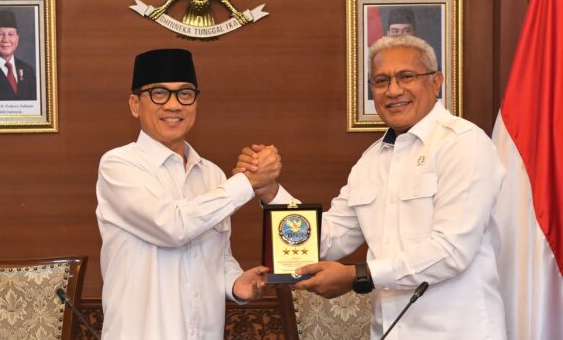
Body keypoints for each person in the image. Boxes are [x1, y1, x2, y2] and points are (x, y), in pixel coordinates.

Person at [235, 35, 506, 339]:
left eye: (406, 76)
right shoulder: (371, 161)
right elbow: (328, 239)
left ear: (436, 82)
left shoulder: (464, 144)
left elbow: (451, 251)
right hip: (388, 332)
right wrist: (269, 190)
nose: (393, 90)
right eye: (381, 81)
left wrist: (358, 276)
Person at [96, 48, 282, 340]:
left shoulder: (212, 175)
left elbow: (217, 256)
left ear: (195, 102)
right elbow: (173, 227)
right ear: (135, 104)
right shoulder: (119, 165)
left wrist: (236, 283)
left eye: (185, 94)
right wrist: (247, 182)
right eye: (159, 93)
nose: (173, 105)